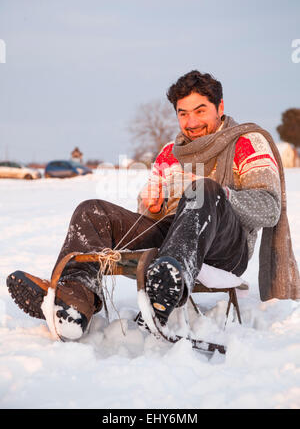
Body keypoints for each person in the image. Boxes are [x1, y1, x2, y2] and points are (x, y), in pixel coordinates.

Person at [7, 70, 299, 341]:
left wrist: (213, 190)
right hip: (172, 240)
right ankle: (74, 302)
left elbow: (269, 208)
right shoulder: (169, 153)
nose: (192, 122)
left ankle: (166, 288)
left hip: (224, 248)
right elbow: (150, 213)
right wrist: (152, 205)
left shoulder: (247, 142)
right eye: (183, 113)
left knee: (201, 190)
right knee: (91, 211)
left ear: (220, 108)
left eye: (200, 111)